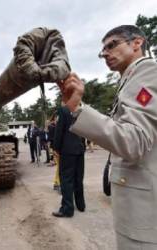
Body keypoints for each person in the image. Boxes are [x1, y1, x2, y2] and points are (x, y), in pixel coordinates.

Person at [59, 25, 157, 249]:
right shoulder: (129, 79)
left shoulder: (147, 72)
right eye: (102, 50)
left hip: (145, 216)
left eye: (112, 45)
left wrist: (77, 109)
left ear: (137, 43)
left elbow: (135, 141)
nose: (105, 53)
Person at [52, 106, 86, 217]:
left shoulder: (64, 110)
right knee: (78, 178)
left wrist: (56, 148)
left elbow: (59, 130)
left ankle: (67, 209)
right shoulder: (82, 109)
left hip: (67, 150)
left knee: (66, 179)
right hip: (79, 149)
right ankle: (81, 205)